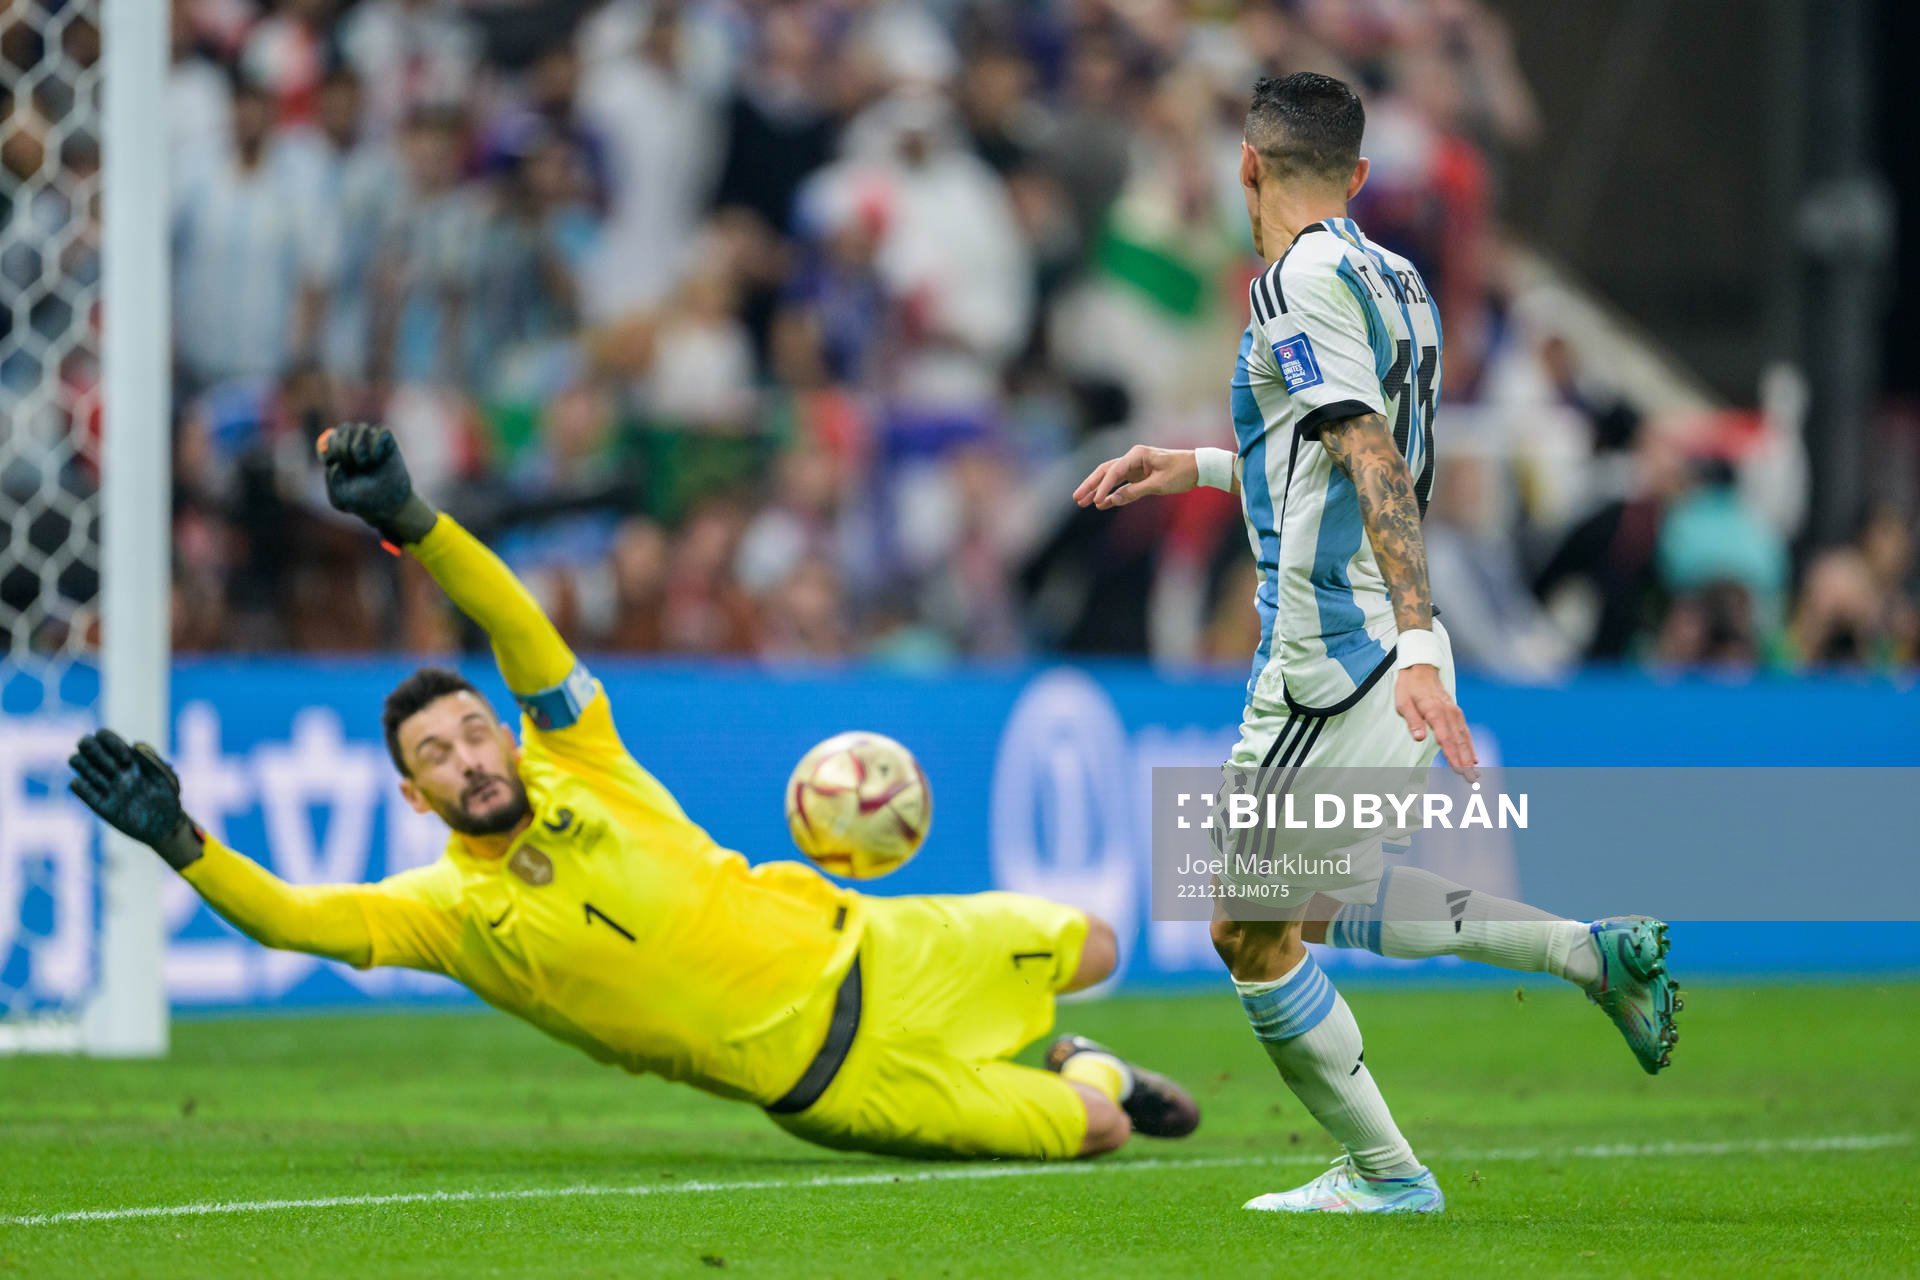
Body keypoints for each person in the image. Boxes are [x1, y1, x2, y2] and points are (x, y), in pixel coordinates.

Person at [69, 423, 1198, 1163]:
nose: (468, 757)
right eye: (437, 757)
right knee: (1099, 1127)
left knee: (1097, 944)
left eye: (473, 732)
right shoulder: (454, 917)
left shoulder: (578, 756)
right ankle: (1082, 1064)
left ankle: (1071, 1038)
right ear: (415, 797)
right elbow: (293, 918)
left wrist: (414, 523)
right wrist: (180, 838)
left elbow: (514, 622)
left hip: (884, 946)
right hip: (837, 1083)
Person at [1073, 73, 1680, 1215]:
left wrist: (1410, 644)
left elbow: (1370, 457)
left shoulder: (1289, 284)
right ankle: (1585, 954)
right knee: (1308, 902)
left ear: (1246, 167)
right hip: (1388, 645)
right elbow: (1328, 461)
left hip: (1335, 657)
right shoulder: (1396, 279)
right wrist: (1196, 466)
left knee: (1245, 931)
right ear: (1356, 176)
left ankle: (1388, 1173)